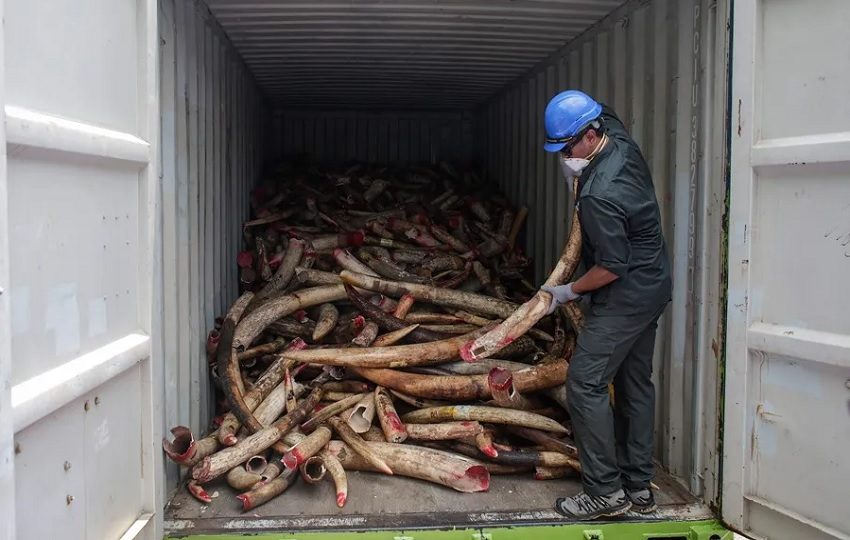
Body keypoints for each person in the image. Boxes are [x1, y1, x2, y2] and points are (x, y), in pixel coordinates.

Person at [539, 90, 672, 520]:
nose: (563, 157)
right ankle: (639, 487)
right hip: (654, 283)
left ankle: (605, 492)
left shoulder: (599, 194)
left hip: (625, 294)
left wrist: (569, 291)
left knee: (585, 381)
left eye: (566, 149)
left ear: (587, 137)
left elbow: (611, 267)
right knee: (635, 383)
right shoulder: (618, 138)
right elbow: (605, 109)